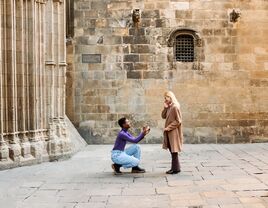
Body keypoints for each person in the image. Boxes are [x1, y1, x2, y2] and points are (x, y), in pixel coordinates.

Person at [161, 91, 183, 174]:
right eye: (165, 97)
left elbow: (178, 121)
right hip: (169, 132)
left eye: (166, 97)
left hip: (173, 132)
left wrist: (168, 128)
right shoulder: (169, 107)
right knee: (172, 150)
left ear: (170, 97)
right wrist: (165, 108)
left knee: (174, 151)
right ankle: (175, 168)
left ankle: (175, 169)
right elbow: (163, 116)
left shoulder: (175, 107)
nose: (165, 99)